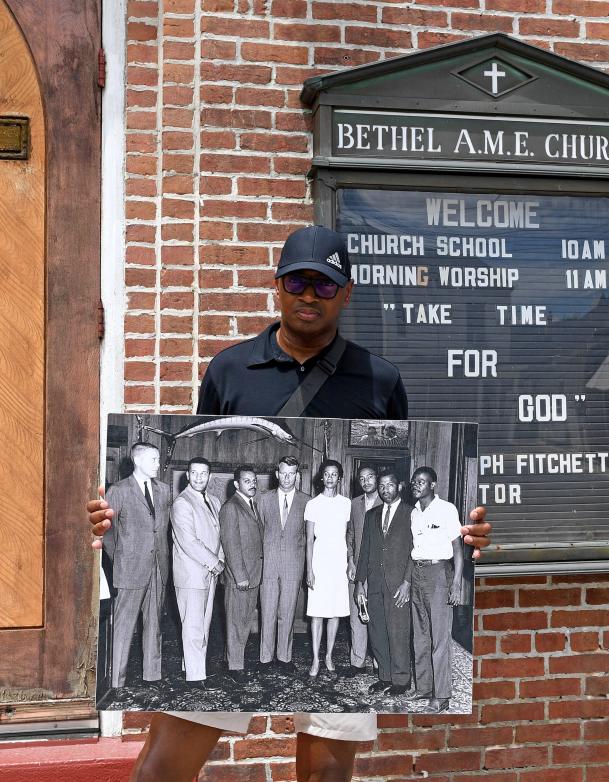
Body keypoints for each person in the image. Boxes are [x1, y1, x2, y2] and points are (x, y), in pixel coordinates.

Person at [88, 225, 492, 782]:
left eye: (325, 286)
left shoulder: (380, 381)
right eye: (298, 281)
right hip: (247, 566)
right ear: (277, 286)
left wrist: (463, 532)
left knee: (328, 768)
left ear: (345, 294)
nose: (310, 295)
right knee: (166, 763)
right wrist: (109, 518)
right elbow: (186, 449)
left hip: (319, 567)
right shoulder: (229, 369)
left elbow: (406, 494)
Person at [102, 441, 171, 690]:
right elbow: (104, 530)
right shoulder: (119, 490)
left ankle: (152, 676)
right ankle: (115, 682)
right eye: (153, 459)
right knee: (123, 626)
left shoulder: (164, 490)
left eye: (158, 459)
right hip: (130, 568)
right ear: (138, 461)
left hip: (158, 567)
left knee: (154, 625)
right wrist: (119, 556)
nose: (158, 464)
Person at [408, 467, 463, 713]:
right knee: (420, 635)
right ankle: (424, 688)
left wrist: (456, 582)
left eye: (422, 481)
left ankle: (442, 696)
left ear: (433, 485)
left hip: (439, 573)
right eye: (414, 481)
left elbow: (458, 549)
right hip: (417, 572)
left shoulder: (447, 509)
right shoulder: (414, 513)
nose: (416, 485)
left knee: (440, 638)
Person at [355, 470, 414, 697]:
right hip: (375, 583)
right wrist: (360, 583)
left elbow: (414, 552)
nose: (385, 489)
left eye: (390, 485)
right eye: (381, 486)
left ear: (399, 486)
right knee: (377, 630)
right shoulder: (372, 515)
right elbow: (364, 552)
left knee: (398, 631)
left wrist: (407, 582)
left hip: (399, 584)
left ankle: (401, 679)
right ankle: (385, 677)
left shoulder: (411, 513)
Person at [170, 457, 225, 687]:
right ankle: (195, 677)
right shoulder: (182, 503)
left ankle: (191, 668)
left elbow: (217, 534)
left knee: (202, 625)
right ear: (188, 475)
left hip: (209, 573)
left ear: (209, 476)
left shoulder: (213, 500)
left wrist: (220, 559)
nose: (200, 478)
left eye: (204, 473)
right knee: (193, 627)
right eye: (195, 473)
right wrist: (215, 562)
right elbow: (189, 542)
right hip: (191, 574)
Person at [257, 455, 310, 669]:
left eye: (292, 474)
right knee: (267, 611)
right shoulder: (263, 499)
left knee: (287, 612)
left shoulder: (307, 501)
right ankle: (265, 658)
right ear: (277, 474)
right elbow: (259, 530)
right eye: (283, 473)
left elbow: (309, 536)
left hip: (293, 565)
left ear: (297, 475)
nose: (287, 478)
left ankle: (284, 657)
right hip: (268, 564)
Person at [305, 459, 352, 677]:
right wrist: (309, 570)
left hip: (338, 562)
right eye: (327, 474)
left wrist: (349, 562)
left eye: (334, 474)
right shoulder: (313, 504)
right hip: (319, 562)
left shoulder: (346, 504)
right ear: (321, 477)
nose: (330, 477)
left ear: (339, 478)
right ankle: (315, 659)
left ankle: (329, 656)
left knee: (335, 613)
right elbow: (308, 541)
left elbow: (349, 536)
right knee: (317, 613)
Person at [218, 463, 264, 677]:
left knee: (244, 620)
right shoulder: (231, 507)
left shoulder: (251, 504)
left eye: (254, 480)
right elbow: (231, 544)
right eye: (247, 481)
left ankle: (233, 659)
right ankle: (235, 666)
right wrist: (240, 576)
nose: (252, 484)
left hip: (254, 574)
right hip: (241, 577)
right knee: (237, 622)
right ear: (236, 484)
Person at [344, 466, 380, 677]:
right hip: (357, 569)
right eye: (362, 478)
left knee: (376, 616)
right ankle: (356, 662)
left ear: (377, 478)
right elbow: (350, 535)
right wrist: (350, 560)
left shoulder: (385, 501)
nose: (366, 481)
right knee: (357, 615)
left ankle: (378, 661)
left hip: (378, 570)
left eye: (370, 476)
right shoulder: (354, 504)